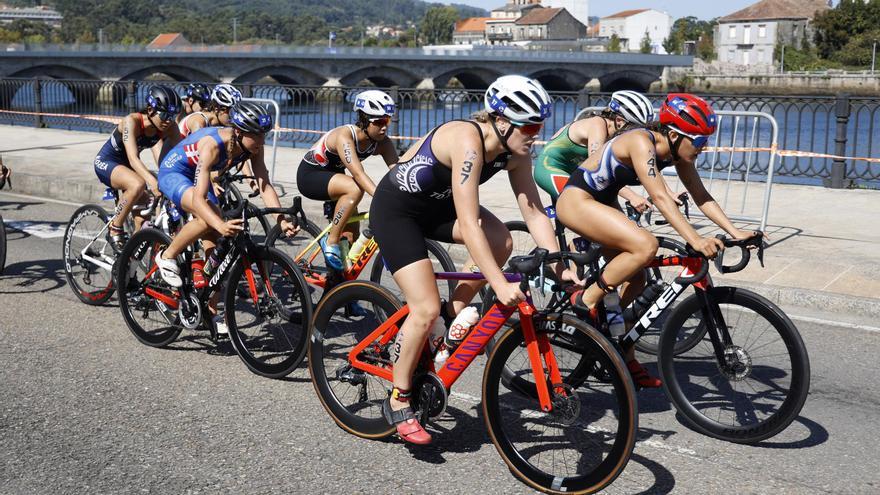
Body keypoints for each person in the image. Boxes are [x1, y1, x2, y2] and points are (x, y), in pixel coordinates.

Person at [369, 75, 580, 445]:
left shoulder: (516, 153)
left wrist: (561, 266)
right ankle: (399, 398)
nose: (536, 133)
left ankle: (452, 319)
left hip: (436, 208)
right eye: (530, 125)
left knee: (503, 239)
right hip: (397, 210)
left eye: (540, 125)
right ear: (501, 121)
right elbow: (468, 222)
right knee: (424, 308)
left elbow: (533, 211)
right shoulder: (468, 140)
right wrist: (498, 284)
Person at [556, 93, 759, 388]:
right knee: (646, 244)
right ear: (675, 134)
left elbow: (701, 196)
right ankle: (584, 300)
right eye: (700, 141)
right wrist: (696, 239)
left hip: (603, 203)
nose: (704, 148)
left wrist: (736, 232)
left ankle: (618, 349)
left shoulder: (678, 153)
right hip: (577, 201)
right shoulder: (641, 141)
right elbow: (662, 197)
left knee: (638, 279)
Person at [154, 102, 298, 330]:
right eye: (257, 136)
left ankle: (210, 310)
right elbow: (199, 199)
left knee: (218, 248)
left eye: (264, 135)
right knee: (207, 218)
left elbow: (264, 185)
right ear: (239, 131)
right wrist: (219, 224)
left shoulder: (253, 147)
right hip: (175, 172)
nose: (262, 142)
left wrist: (281, 220)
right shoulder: (213, 144)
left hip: (198, 176)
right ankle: (167, 255)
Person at [296, 89, 398, 270]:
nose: (385, 126)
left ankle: (339, 290)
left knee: (351, 237)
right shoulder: (345, 135)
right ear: (365, 121)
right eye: (380, 121)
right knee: (355, 188)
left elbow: (398, 172)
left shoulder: (383, 142)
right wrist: (380, 196)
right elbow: (358, 174)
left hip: (337, 181)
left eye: (387, 120)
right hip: (310, 176)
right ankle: (331, 241)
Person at [534, 90, 657, 212]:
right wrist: (632, 196)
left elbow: (647, 167)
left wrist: (668, 193)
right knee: (584, 208)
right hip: (550, 167)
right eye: (636, 128)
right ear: (619, 121)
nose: (639, 134)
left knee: (618, 217)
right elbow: (598, 170)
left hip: (575, 172)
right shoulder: (597, 125)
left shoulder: (618, 135)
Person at [92, 85, 182, 249]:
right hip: (108, 162)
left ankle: (126, 262)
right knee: (138, 184)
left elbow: (183, 153)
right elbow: (133, 159)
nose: (169, 120)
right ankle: (115, 227)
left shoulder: (169, 127)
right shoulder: (131, 121)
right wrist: (152, 182)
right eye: (165, 114)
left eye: (173, 115)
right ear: (150, 109)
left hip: (128, 168)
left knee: (142, 223)